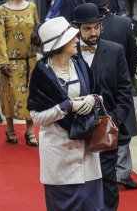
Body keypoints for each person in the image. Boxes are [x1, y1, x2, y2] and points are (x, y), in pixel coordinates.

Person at [27, 16, 104, 211]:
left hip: (87, 153)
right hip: (58, 155)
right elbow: (36, 117)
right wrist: (66, 107)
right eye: (72, 38)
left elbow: (99, 95)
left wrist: (93, 99)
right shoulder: (42, 74)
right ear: (59, 44)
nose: (77, 40)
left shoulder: (80, 65)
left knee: (92, 206)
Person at [73, 3, 132, 211]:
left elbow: (125, 89)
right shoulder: (68, 53)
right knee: (79, 178)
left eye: (96, 27)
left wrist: (117, 120)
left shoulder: (115, 51)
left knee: (108, 178)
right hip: (75, 128)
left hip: (107, 127)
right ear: (77, 28)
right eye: (87, 28)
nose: (93, 32)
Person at [86, 0, 137, 189]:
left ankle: (104, 173)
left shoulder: (80, 24)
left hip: (90, 86)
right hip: (118, 81)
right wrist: (127, 78)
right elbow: (132, 57)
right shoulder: (123, 24)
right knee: (122, 126)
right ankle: (122, 173)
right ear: (108, 0)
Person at [0, 0, 39, 146]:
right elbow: (0, 38)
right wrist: (3, 62)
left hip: (30, 60)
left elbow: (37, 27)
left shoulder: (32, 7)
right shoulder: (2, 10)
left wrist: (38, 37)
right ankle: (10, 128)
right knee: (9, 95)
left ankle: (30, 131)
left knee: (31, 96)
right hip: (10, 62)